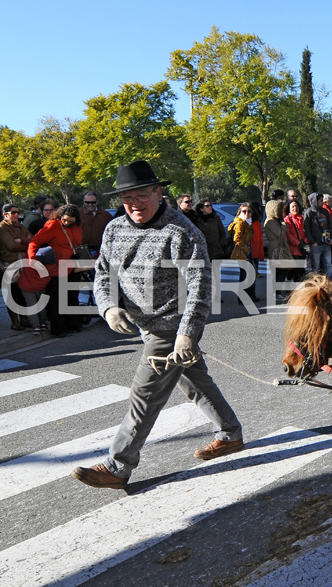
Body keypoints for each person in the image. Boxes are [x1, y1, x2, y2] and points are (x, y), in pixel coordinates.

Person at [72, 160, 243, 490]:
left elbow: (200, 286)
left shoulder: (180, 232)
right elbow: (104, 274)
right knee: (195, 382)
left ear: (158, 192)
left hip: (171, 327)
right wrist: (108, 308)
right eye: (126, 198)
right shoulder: (114, 229)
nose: (134, 203)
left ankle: (117, 466)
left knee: (144, 395)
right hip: (143, 324)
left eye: (141, 195)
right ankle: (231, 433)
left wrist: (187, 335)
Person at [27, 204, 84, 336]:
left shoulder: (78, 226)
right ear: (60, 216)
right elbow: (34, 242)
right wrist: (32, 259)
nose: (66, 223)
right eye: (64, 220)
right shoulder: (52, 225)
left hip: (73, 266)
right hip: (57, 267)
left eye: (70, 221)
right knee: (57, 299)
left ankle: (73, 324)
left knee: (72, 296)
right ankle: (58, 328)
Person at [0, 203, 33, 331]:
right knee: (12, 295)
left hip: (23, 263)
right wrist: (26, 242)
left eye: (17, 212)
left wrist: (21, 240)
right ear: (5, 214)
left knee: (22, 293)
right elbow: (11, 246)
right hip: (9, 264)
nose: (16, 215)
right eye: (13, 212)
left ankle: (24, 319)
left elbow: (33, 239)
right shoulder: (2, 228)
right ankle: (15, 321)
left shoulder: (20, 226)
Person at [228, 203, 259, 302]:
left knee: (248, 273)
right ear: (239, 212)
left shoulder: (247, 222)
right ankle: (244, 297)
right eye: (244, 211)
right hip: (242, 251)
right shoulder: (240, 223)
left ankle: (249, 296)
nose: (247, 213)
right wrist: (246, 249)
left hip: (247, 250)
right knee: (245, 274)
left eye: (249, 211)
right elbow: (237, 239)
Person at [264, 199, 292, 301]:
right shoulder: (270, 222)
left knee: (282, 270)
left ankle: (277, 291)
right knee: (278, 271)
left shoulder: (275, 221)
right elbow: (279, 233)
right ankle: (275, 292)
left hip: (280, 247)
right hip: (275, 248)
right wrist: (285, 226)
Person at [303, 192, 332, 276]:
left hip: (326, 242)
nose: (322, 202)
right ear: (314, 201)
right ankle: (316, 285)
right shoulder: (309, 213)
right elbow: (307, 229)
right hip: (316, 245)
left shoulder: (325, 211)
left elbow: (330, 225)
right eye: (320, 201)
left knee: (328, 265)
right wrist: (312, 242)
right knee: (316, 267)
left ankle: (328, 283)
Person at [80, 191, 113, 257]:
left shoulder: (106, 215)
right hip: (82, 251)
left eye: (93, 202)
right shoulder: (78, 214)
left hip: (101, 250)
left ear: (97, 202)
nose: (90, 204)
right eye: (87, 202)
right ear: (83, 201)